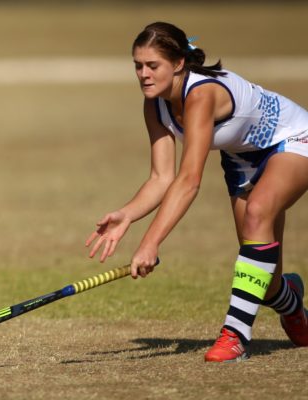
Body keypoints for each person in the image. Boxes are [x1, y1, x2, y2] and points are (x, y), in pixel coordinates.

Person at [85, 22, 308, 362]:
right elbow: (162, 178)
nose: (143, 74)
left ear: (178, 63)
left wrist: (150, 242)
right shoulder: (154, 105)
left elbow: (189, 180)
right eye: (138, 66)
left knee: (257, 212)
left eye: (152, 65)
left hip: (293, 139)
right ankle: (291, 303)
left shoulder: (201, 95)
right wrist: (127, 214)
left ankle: (234, 337)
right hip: (241, 159)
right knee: (263, 280)